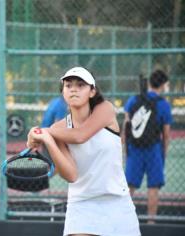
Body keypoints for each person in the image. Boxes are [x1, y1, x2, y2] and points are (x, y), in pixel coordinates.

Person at [27, 66, 140, 236]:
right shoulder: (58, 129)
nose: (74, 89)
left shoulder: (106, 109)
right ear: (63, 92)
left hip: (117, 202)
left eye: (80, 85)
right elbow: (71, 174)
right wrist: (49, 141)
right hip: (82, 204)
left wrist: (44, 132)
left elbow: (80, 136)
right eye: (68, 85)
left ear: (92, 91)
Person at [122, 70, 172, 224]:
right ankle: (151, 222)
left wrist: (125, 150)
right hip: (153, 149)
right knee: (153, 187)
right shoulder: (163, 105)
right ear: (163, 85)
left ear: (149, 82)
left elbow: (126, 126)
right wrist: (163, 152)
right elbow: (166, 134)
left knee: (129, 186)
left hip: (135, 148)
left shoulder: (133, 100)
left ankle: (123, 220)